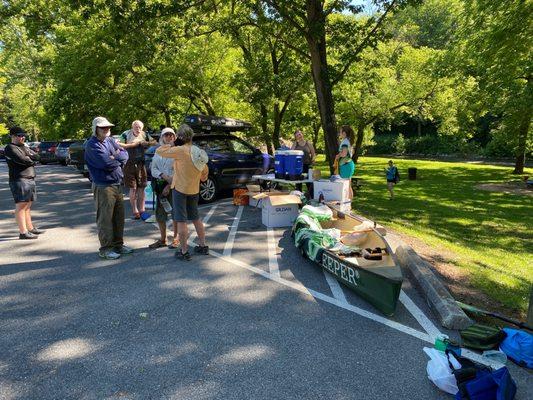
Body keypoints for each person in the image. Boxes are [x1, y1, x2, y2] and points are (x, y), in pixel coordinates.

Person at [156, 124, 209, 261]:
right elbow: (204, 172)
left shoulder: (180, 150)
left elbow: (160, 151)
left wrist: (173, 143)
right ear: (191, 136)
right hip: (194, 189)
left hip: (180, 189)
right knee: (196, 218)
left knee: (181, 220)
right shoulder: (197, 151)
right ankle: (203, 245)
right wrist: (202, 177)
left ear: (180, 137)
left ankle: (184, 251)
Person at [85, 117, 133, 260]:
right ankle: (106, 249)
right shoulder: (92, 145)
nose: (106, 130)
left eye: (107, 127)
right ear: (95, 129)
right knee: (105, 219)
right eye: (102, 128)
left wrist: (115, 156)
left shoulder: (110, 140)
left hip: (116, 184)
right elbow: (105, 163)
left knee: (119, 217)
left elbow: (125, 155)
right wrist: (115, 157)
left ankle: (118, 244)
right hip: (103, 186)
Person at [4, 126, 43, 239]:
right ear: (12, 136)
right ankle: (23, 232)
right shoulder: (10, 148)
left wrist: (30, 158)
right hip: (19, 179)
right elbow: (22, 160)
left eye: (23, 135)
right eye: (19, 135)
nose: (22, 137)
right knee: (21, 205)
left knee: (27, 205)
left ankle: (30, 228)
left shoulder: (24, 146)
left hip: (29, 178)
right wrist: (31, 159)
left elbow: (37, 156)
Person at [149, 127, 179, 249]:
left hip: (174, 186)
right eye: (166, 135)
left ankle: (176, 238)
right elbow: (153, 168)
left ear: (174, 137)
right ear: (162, 137)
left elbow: (179, 170)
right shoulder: (158, 151)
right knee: (160, 214)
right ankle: (163, 239)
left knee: (175, 213)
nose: (169, 137)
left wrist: (169, 184)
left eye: (171, 135)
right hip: (160, 185)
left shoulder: (177, 150)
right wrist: (162, 176)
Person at [119, 120, 156, 219]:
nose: (138, 129)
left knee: (142, 187)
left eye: (140, 127)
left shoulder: (145, 134)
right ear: (132, 127)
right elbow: (118, 144)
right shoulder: (125, 134)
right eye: (136, 127)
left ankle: (142, 210)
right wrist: (132, 145)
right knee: (133, 188)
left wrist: (145, 143)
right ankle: (135, 211)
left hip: (141, 164)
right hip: (129, 164)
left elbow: (154, 142)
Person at [335, 125, 356, 199]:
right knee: (348, 186)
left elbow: (344, 153)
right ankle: (349, 205)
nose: (339, 133)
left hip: (346, 166)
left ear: (344, 133)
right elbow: (351, 153)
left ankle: (347, 205)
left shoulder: (345, 142)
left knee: (346, 186)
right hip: (348, 165)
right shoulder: (348, 141)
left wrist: (338, 155)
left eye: (340, 132)